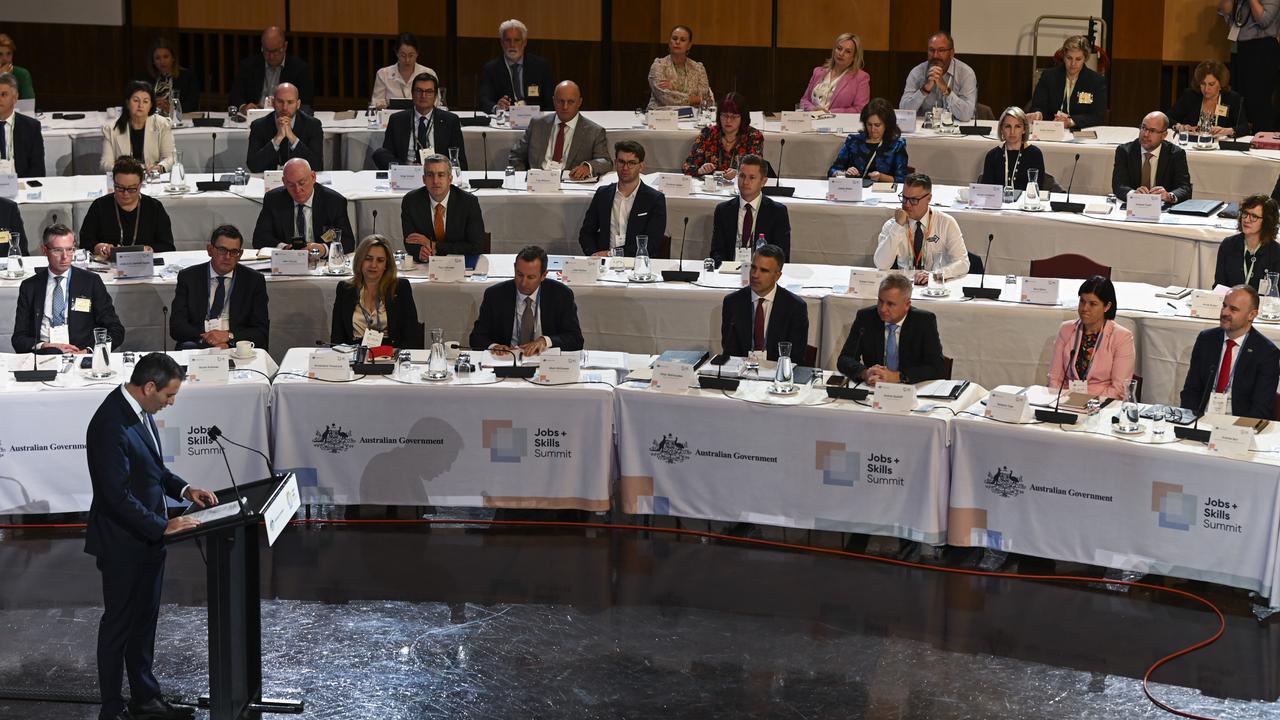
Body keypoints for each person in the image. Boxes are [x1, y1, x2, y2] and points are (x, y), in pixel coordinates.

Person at [85, 352, 217, 720]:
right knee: (119, 626)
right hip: (123, 544)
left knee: (144, 623)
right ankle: (111, 709)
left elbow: (153, 470)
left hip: (148, 541)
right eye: (169, 396)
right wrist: (162, 525)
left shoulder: (139, 414)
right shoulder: (110, 423)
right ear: (148, 387)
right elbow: (115, 496)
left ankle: (145, 697)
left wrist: (186, 489)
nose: (171, 403)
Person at [12, 224, 125, 354]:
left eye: (70, 249)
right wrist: (43, 346)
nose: (65, 257)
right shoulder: (30, 286)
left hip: (80, 355)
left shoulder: (91, 282)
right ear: (44, 250)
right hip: (44, 355)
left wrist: (89, 351)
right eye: (57, 250)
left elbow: (116, 331)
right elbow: (18, 339)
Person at [1180, 284, 1280, 419]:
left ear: (1252, 315)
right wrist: (1190, 421)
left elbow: (1261, 408)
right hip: (1201, 419)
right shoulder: (1206, 340)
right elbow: (1191, 391)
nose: (1224, 312)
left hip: (1238, 425)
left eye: (1233, 309)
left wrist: (1233, 433)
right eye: (1224, 305)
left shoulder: (1266, 353)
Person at [469, 245, 583, 355]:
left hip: (545, 362)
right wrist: (493, 346)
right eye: (519, 275)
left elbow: (575, 339)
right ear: (514, 268)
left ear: (543, 275)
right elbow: (476, 338)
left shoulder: (561, 295)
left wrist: (545, 341)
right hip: (506, 360)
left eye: (531, 277)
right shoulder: (495, 295)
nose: (523, 283)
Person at [170, 225, 269, 351]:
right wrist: (208, 339)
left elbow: (261, 331)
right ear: (210, 250)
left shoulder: (254, 280)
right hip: (198, 343)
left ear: (240, 254)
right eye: (222, 250)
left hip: (235, 345)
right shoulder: (189, 277)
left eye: (234, 252)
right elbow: (177, 327)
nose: (228, 257)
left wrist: (228, 337)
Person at [836, 273, 946, 385]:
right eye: (880, 301)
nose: (883, 309)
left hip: (910, 389)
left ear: (907, 304)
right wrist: (865, 373)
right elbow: (845, 359)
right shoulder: (866, 318)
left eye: (890, 304)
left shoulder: (924, 321)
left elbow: (938, 368)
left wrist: (898, 377)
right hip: (875, 388)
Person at [1046, 276, 1135, 400]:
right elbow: (1054, 378)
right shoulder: (1066, 329)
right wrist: (1059, 399)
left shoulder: (1122, 337)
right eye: (1082, 301)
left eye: (1093, 304)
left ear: (1107, 306)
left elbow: (1119, 388)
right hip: (1065, 400)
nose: (1084, 308)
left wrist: (1087, 403)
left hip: (1101, 405)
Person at [873, 172, 970, 282]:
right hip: (904, 285)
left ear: (928, 198)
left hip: (935, 284)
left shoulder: (946, 223)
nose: (907, 205)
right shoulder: (892, 225)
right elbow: (881, 264)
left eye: (913, 200)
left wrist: (936, 274)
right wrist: (898, 226)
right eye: (904, 198)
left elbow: (963, 263)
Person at [720, 243, 808, 363]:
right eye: (753, 267)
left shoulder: (795, 307)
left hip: (776, 374)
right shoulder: (733, 302)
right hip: (741, 372)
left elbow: (796, 356)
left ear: (777, 275)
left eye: (764, 270)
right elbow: (729, 350)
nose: (755, 275)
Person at [578, 140, 667, 256]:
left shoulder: (655, 199)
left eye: (631, 163)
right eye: (621, 162)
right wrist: (594, 255)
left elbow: (652, 244)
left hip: (637, 263)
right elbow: (586, 233)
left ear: (641, 166)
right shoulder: (603, 194)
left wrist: (611, 254)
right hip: (603, 264)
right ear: (615, 163)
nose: (625, 168)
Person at [331, 234, 422, 348]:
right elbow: (336, 338)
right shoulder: (345, 289)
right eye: (368, 259)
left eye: (380, 260)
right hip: (353, 355)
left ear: (386, 265)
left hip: (391, 355)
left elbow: (411, 336)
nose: (373, 265)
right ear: (360, 260)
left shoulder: (401, 288)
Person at [507, 80, 609, 179]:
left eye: (570, 102)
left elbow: (605, 161)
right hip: (537, 183)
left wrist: (588, 167)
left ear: (579, 102)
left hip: (570, 184)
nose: (565, 107)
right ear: (554, 101)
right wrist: (523, 177)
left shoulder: (594, 131)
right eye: (561, 101)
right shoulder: (537, 124)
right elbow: (516, 155)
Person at [252, 158, 354, 255]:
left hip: (321, 261)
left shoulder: (334, 201)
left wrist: (323, 249)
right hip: (287, 261)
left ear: (313, 177)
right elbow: (260, 238)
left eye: (302, 183)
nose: (297, 190)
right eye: (291, 185)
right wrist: (283, 247)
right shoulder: (273, 199)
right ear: (284, 182)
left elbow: (348, 241)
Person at [80, 156, 176, 256]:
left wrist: (150, 249)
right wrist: (98, 247)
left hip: (144, 264)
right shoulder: (100, 206)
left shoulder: (154, 208)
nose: (125, 194)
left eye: (131, 189)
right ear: (113, 183)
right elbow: (85, 241)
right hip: (108, 265)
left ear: (140, 185)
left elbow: (168, 246)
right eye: (119, 188)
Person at [372, 72, 466, 170]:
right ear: (412, 94)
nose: (423, 95)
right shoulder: (397, 120)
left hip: (437, 175)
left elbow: (460, 161)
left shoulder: (450, 121)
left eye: (429, 91)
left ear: (435, 96)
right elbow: (386, 156)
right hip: (406, 175)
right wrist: (407, 168)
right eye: (419, 91)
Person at [401, 154, 485, 261]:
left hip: (460, 266)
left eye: (441, 175)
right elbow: (410, 241)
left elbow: (477, 246)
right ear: (423, 179)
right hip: (426, 266)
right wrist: (420, 252)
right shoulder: (411, 201)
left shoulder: (468, 202)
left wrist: (435, 246)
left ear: (450, 179)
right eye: (430, 175)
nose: (435, 181)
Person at [709, 154, 790, 264]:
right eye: (742, 176)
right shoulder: (723, 210)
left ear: (763, 182)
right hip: (728, 272)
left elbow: (781, 255)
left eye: (752, 177)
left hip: (762, 273)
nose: (745, 182)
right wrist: (723, 270)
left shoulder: (777, 212)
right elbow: (717, 251)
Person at [1217, 0, 1280, 132]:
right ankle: (1241, 134)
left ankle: (1261, 138)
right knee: (1239, 98)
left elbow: (1263, 20)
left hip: (1263, 49)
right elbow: (1225, 11)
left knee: (1259, 100)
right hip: (1240, 49)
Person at [1027, 35, 1108, 130]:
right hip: (1051, 130)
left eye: (1078, 59)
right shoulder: (1049, 76)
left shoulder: (1096, 81)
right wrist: (1038, 114)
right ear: (1064, 57)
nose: (1073, 64)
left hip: (1080, 131)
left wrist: (1070, 122)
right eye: (1069, 58)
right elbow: (1038, 105)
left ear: (1084, 59)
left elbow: (1098, 116)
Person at [1111, 111, 1192, 205]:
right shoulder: (1124, 151)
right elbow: (1118, 185)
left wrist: (1169, 196)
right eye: (1143, 128)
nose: (1145, 134)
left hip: (1163, 209)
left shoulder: (1176, 154)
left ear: (1164, 135)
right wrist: (1133, 194)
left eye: (1152, 131)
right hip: (1133, 207)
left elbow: (1184, 188)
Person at [229, 26, 313, 113]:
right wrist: (244, 107)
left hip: (286, 117)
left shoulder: (300, 68)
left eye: (275, 51)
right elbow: (235, 97)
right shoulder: (248, 66)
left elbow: (306, 103)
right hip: (255, 118)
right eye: (266, 51)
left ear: (285, 46)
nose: (271, 56)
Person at [478, 19, 556, 113]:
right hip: (506, 119)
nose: (512, 45)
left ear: (524, 43)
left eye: (516, 40)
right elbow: (484, 99)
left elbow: (551, 99)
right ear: (502, 43)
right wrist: (497, 108)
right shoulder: (491, 69)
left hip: (536, 119)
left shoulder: (541, 66)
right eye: (508, 40)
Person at [245, 82, 324, 173]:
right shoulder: (258, 126)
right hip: (268, 181)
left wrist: (292, 138)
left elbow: (317, 166)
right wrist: (277, 139)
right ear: (273, 102)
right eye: (280, 101)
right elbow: (253, 166)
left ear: (298, 104)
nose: (285, 108)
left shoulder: (313, 125)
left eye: (290, 102)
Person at [899, 31, 977, 122]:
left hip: (955, 129)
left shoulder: (966, 73)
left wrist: (944, 88)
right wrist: (925, 89)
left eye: (941, 50)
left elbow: (966, 115)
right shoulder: (917, 73)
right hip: (924, 130)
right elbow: (903, 112)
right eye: (931, 50)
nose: (935, 55)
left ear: (951, 53)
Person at [682, 92, 763, 179]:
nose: (728, 120)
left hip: (740, 188)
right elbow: (686, 166)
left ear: (743, 117)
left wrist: (738, 173)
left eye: (734, 116)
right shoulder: (707, 133)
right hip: (709, 188)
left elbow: (757, 170)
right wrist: (700, 170)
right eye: (724, 115)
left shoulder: (754, 136)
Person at [100, 81, 175, 173]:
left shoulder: (163, 124)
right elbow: (105, 163)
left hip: (153, 178)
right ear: (127, 103)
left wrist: (159, 168)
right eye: (136, 100)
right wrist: (125, 170)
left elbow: (170, 157)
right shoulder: (111, 129)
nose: (140, 105)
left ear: (151, 105)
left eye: (145, 101)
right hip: (124, 180)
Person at [828, 97, 908, 183]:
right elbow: (832, 171)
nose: (873, 129)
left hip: (882, 192)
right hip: (854, 191)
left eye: (877, 125)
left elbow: (902, 179)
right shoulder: (854, 141)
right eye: (869, 124)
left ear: (887, 124)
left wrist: (881, 177)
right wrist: (844, 174)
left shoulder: (897, 145)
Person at [1170, 59, 1249, 138]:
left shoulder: (1232, 98)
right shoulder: (1190, 96)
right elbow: (1167, 119)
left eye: (1211, 84)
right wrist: (1180, 126)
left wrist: (1228, 131)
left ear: (1221, 83)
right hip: (1192, 144)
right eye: (1203, 84)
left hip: (1221, 146)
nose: (1206, 89)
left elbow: (1244, 127)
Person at [1215, 194, 1280, 288]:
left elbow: (1276, 294)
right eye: (1245, 213)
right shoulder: (1228, 245)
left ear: (1267, 222)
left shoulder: (1276, 252)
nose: (1246, 220)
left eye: (1254, 216)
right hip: (1232, 302)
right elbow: (1219, 285)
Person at [799, 32, 871, 114]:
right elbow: (804, 100)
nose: (841, 54)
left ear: (854, 56)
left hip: (838, 123)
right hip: (812, 120)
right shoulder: (818, 71)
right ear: (834, 50)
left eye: (848, 51)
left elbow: (860, 109)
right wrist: (813, 109)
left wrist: (829, 112)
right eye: (839, 48)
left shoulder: (861, 77)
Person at [647, 25, 714, 110]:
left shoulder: (698, 68)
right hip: (661, 117)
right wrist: (693, 99)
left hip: (692, 118)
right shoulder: (659, 66)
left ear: (689, 45)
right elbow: (666, 98)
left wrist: (674, 88)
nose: (677, 42)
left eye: (683, 40)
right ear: (669, 42)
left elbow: (704, 98)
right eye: (674, 38)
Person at [979, 106, 1046, 191]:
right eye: (1008, 126)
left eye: (1017, 126)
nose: (1012, 132)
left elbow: (1038, 189)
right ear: (1001, 129)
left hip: (1025, 203)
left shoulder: (1034, 154)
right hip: (999, 203)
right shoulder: (992, 156)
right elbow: (986, 191)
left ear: (1024, 129)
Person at [371, 32, 437, 110]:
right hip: (391, 118)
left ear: (417, 54)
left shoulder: (429, 74)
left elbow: (436, 102)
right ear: (396, 53)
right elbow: (376, 102)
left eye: (411, 55)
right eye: (403, 55)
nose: (407, 60)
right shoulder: (383, 74)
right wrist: (385, 104)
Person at [0, 72, 42, 177]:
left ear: (15, 98)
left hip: (21, 186)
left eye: (4, 94)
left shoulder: (31, 128)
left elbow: (38, 169)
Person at [143, 36, 200, 114]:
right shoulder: (146, 79)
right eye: (157, 58)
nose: (162, 62)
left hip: (179, 119)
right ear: (153, 61)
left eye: (166, 57)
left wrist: (172, 108)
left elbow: (193, 104)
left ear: (173, 58)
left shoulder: (187, 77)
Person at [0, 34, 33, 99]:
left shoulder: (22, 74)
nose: (5, 59)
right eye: (0, 54)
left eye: (8, 54)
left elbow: (29, 102)